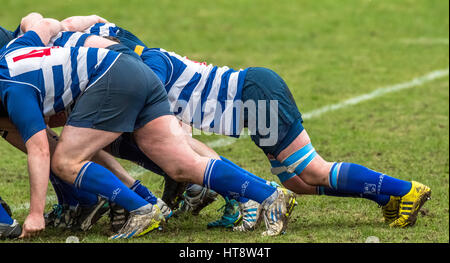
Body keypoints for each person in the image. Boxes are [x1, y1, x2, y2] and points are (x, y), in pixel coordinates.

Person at [61, 18, 432, 230]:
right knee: (298, 183)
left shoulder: (143, 67)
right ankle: (385, 196)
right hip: (252, 97)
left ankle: (406, 189)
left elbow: (176, 134)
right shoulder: (136, 54)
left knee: (313, 170)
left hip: (253, 95)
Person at [0, 13, 296, 239]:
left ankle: (144, 208)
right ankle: (268, 195)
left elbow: (39, 149)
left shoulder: (10, 87)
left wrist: (36, 214)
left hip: (114, 77)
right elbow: (37, 20)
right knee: (180, 163)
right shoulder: (15, 48)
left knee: (67, 159)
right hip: (132, 68)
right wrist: (71, 26)